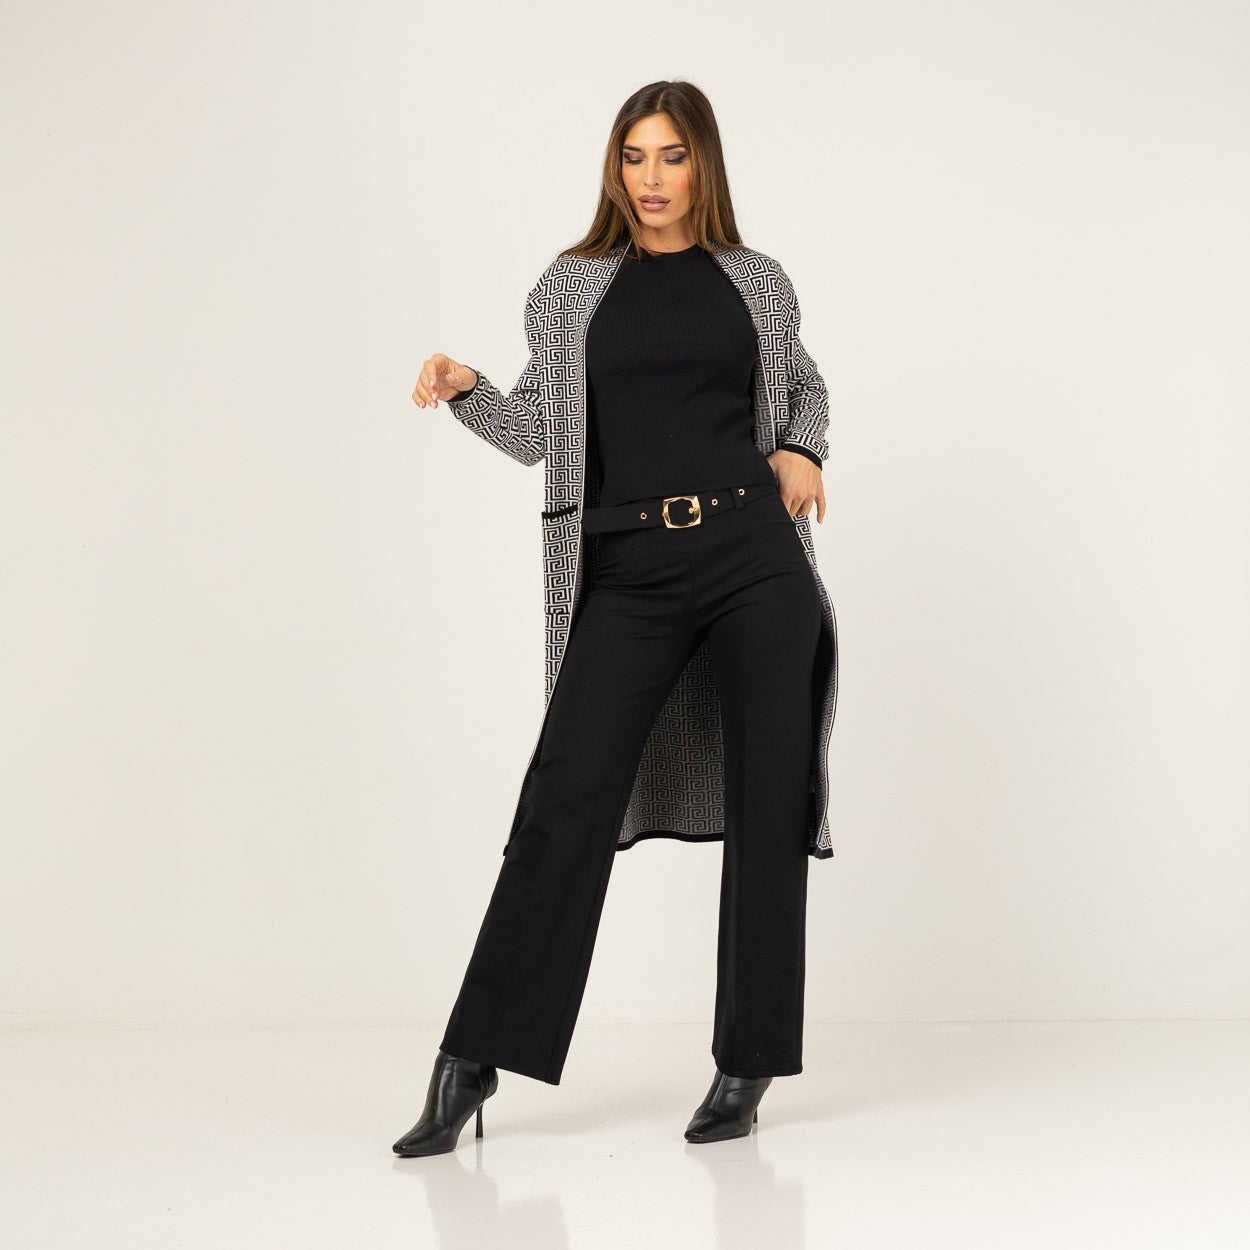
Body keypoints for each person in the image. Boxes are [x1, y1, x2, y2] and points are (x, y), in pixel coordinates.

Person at [394, 79, 834, 1157]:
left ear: (703, 163)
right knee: (565, 798)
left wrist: (799, 448)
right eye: (633, 157)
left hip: (753, 558)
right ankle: (470, 1060)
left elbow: (806, 389)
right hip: (629, 569)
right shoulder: (571, 286)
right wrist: (465, 388)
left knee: (769, 797)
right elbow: (539, 432)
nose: (650, 178)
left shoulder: (756, 282)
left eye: (670, 155)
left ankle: (748, 1060)